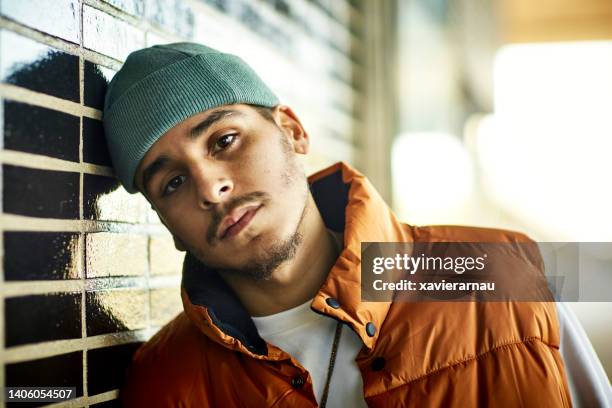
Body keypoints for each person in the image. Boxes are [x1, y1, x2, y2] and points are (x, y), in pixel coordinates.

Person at [103, 42, 610, 407]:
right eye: (171, 182)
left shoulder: (503, 274)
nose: (210, 187)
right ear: (166, 224)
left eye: (224, 141)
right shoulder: (166, 384)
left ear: (292, 131)